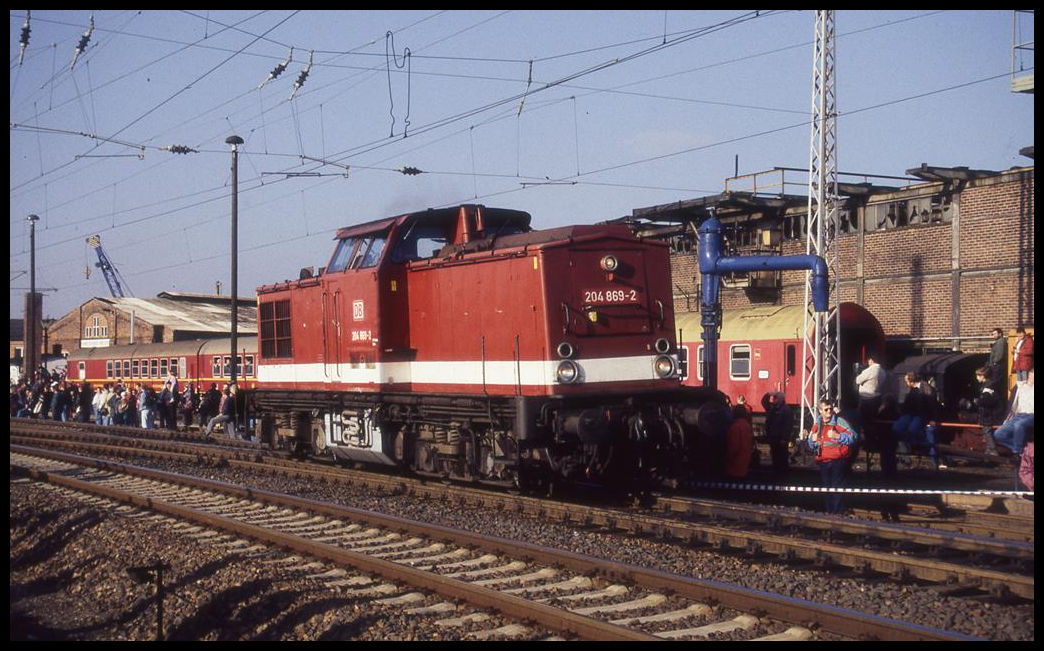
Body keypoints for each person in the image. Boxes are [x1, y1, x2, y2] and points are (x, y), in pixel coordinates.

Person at [807, 399, 859, 514]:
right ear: (820, 411)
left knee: (836, 489)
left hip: (838, 461)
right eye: (826, 410)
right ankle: (830, 512)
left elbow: (853, 437)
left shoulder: (839, 422)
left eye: (831, 409)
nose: (829, 411)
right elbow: (810, 444)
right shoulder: (817, 424)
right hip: (824, 461)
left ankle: (837, 513)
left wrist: (838, 436)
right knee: (827, 489)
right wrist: (812, 440)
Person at [892, 372, 941, 469]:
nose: (906, 383)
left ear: (911, 381)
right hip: (911, 414)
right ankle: (906, 452)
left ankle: (915, 448)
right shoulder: (912, 389)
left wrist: (932, 419)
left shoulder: (926, 388)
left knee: (912, 430)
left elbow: (932, 405)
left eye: (906, 381)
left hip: (921, 414)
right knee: (896, 428)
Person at [991, 367, 1033, 457]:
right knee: (998, 434)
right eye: (1031, 375)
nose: (1032, 378)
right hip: (1018, 415)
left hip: (1031, 416)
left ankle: (1017, 452)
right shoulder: (1021, 386)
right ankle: (1023, 449)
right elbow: (1020, 368)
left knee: (1019, 425)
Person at [972, 366, 1006, 455]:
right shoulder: (987, 385)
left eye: (978, 376)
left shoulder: (989, 387)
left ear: (983, 376)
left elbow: (989, 401)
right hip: (987, 414)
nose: (976, 378)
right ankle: (989, 450)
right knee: (986, 432)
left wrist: (978, 401)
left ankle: (992, 450)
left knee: (987, 432)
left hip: (989, 415)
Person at [762, 391, 793, 476]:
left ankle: (783, 475)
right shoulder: (772, 409)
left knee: (782, 457)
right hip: (773, 437)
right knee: (775, 456)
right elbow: (764, 402)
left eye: (775, 397)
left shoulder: (786, 410)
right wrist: (769, 393)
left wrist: (784, 438)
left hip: (780, 438)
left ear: (781, 399)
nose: (773, 399)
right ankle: (776, 473)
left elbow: (788, 425)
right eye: (774, 397)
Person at [855, 353, 887, 424]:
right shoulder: (883, 371)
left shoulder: (870, 370)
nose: (868, 363)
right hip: (877, 398)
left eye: (868, 361)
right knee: (874, 420)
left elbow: (858, 380)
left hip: (867, 399)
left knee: (866, 421)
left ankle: (867, 434)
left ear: (871, 360)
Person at [724, 404, 754, 479]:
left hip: (735, 465)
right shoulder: (746, 425)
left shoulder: (735, 426)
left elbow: (734, 446)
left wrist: (727, 458)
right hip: (744, 461)